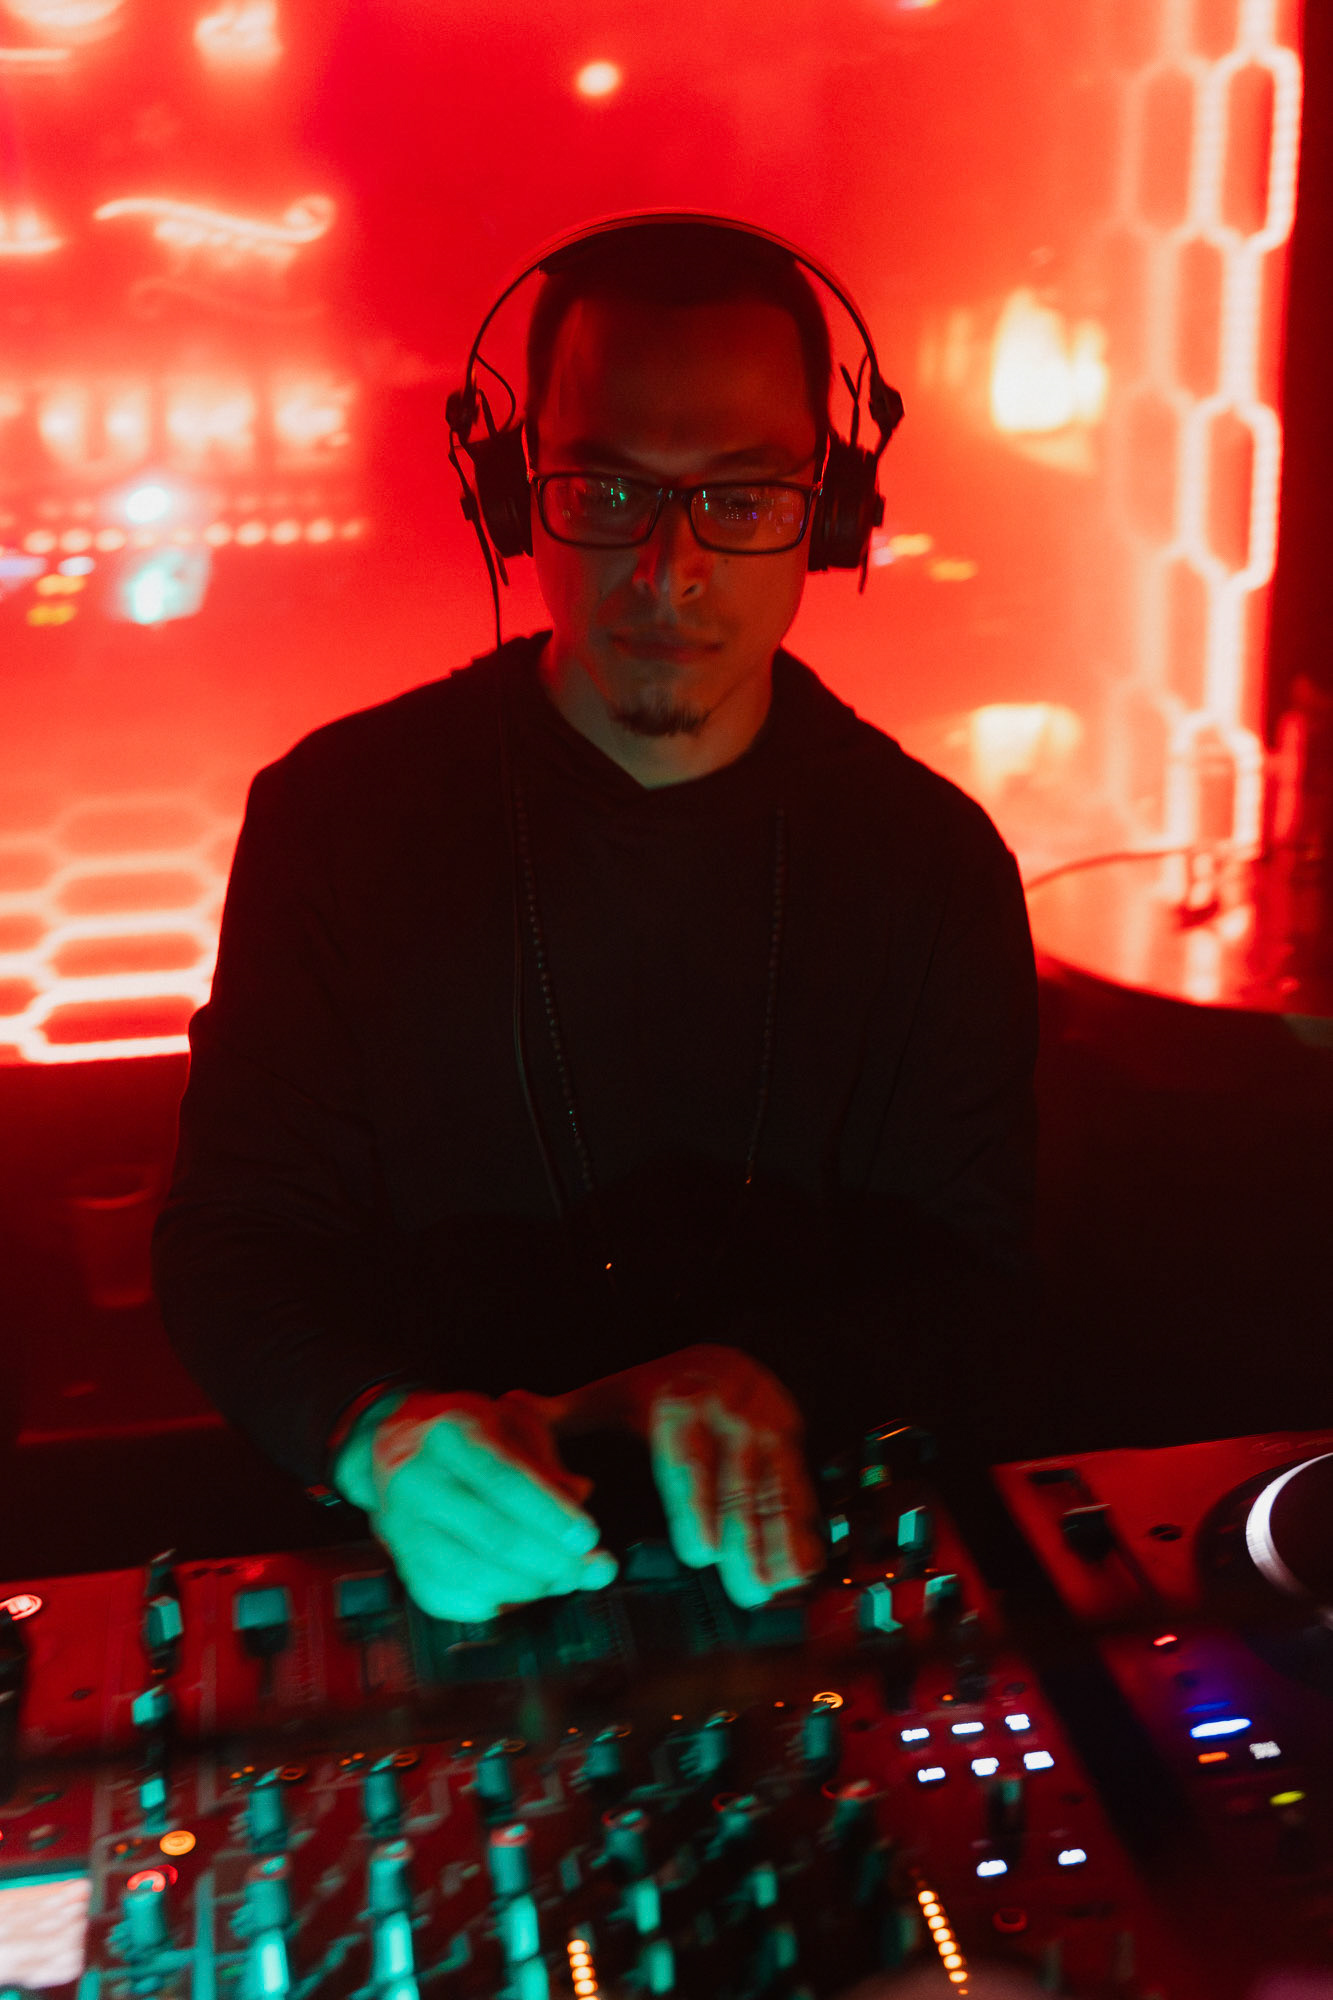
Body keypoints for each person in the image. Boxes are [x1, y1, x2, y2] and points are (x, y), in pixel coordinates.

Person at [153, 221, 1038, 1627]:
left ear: (829, 510)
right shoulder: (336, 815)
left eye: (741, 494)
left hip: (788, 1575)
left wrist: (781, 1377)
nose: (669, 568)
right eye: (609, 489)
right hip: (436, 1579)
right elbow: (233, 1237)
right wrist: (377, 1433)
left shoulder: (933, 862)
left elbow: (978, 1278)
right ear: (516, 495)